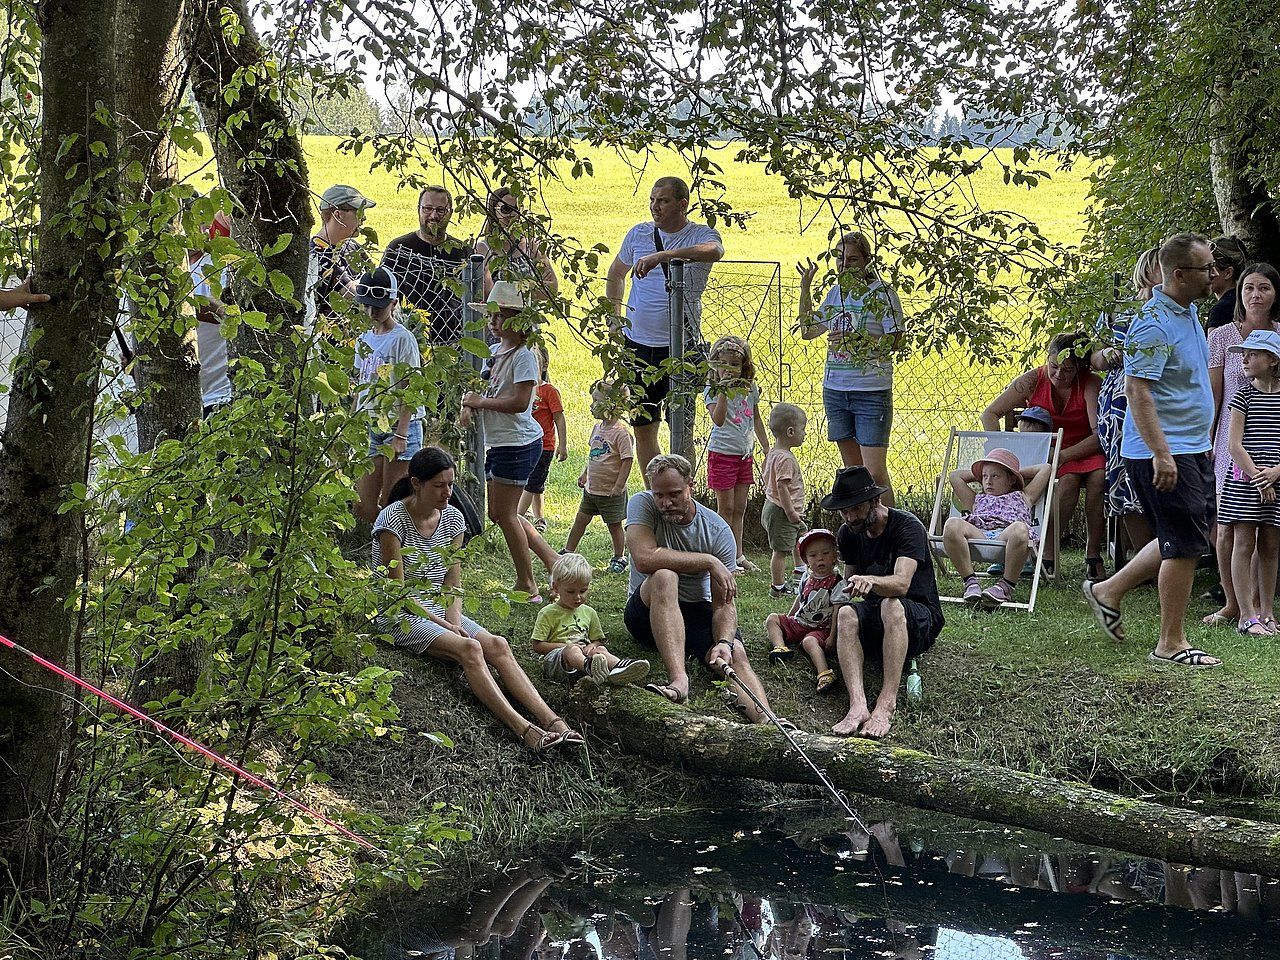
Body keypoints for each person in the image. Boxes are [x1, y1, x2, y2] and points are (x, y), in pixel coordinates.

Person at [372, 446, 584, 753]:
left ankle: (554, 722)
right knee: (470, 648)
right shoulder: (392, 520)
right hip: (399, 612)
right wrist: (445, 625)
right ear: (416, 484)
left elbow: (452, 582)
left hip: (437, 606)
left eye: (451, 484)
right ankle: (525, 730)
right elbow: (399, 592)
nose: (448, 492)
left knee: (497, 644)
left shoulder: (453, 519)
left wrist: (454, 622)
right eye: (439, 485)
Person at [1082, 232, 1222, 668]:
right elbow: (1137, 393)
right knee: (1183, 547)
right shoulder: (1154, 325)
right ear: (1179, 274)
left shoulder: (1188, 310)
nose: (1214, 275)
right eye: (1206, 269)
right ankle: (1170, 643)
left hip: (1191, 445)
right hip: (1165, 451)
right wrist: (1162, 453)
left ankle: (1108, 590)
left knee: (1179, 536)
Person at [623, 454, 774, 721]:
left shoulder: (717, 531)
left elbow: (723, 603)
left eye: (675, 494)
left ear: (691, 485)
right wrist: (707, 560)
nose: (665, 503)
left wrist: (725, 640)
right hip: (646, 612)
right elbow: (644, 558)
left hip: (694, 612)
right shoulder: (641, 504)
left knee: (733, 652)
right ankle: (679, 681)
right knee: (664, 576)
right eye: (659, 495)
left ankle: (767, 722)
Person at [604, 176, 725, 472]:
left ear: (682, 204)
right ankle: (656, 494)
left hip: (680, 348)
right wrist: (615, 318)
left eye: (663, 201)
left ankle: (684, 493)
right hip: (637, 347)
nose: (655, 207)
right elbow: (616, 274)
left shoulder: (699, 234)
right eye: (652, 200)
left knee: (681, 429)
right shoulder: (638, 234)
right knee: (643, 427)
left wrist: (665, 255)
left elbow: (715, 251)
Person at [824, 466, 943, 739]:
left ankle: (886, 704)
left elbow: (902, 584)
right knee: (846, 615)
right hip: (878, 618)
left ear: (875, 501)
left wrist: (873, 582)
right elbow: (848, 589)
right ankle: (858, 706)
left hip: (919, 617)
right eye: (844, 511)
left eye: (855, 509)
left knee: (891, 603)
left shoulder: (908, 527)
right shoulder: (848, 533)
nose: (850, 517)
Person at [460, 281, 561, 599]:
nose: (492, 321)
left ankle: (527, 583)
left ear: (519, 321)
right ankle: (553, 561)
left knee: (504, 515)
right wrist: (467, 405)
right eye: (491, 314)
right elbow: (481, 388)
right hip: (502, 442)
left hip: (518, 443)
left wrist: (480, 404)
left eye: (499, 315)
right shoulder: (494, 352)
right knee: (504, 514)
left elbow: (520, 402)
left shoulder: (524, 356)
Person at [982, 331, 1105, 580]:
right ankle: (1045, 550)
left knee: (1099, 477)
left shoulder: (1090, 383)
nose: (1059, 374)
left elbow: (1098, 435)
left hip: (1082, 448)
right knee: (1068, 481)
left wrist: (1062, 455)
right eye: (1054, 366)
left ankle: (1093, 554)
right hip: (1044, 454)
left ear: (1079, 368)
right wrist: (1003, 454)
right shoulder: (1032, 379)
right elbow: (990, 414)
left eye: (1068, 370)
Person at [797, 231, 905, 503]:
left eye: (852, 259)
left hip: (871, 391)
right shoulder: (836, 293)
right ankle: (864, 530)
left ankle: (893, 531)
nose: (844, 265)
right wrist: (805, 288)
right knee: (854, 473)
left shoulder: (883, 294)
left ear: (868, 261)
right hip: (836, 390)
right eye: (840, 259)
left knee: (875, 472)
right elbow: (808, 331)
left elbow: (895, 341)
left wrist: (856, 339)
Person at [1204, 262, 1280, 627]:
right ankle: (1234, 603)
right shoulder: (1221, 336)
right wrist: (1206, 436)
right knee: (1228, 525)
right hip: (1233, 438)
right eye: (1249, 287)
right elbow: (1213, 394)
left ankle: (1259, 608)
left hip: (1273, 443)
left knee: (1265, 529)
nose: (1255, 295)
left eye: (1263, 287)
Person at [1092, 248, 1160, 562]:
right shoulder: (1114, 311)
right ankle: (1140, 555)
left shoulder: (1172, 310)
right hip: (1120, 399)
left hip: (1160, 395)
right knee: (1124, 473)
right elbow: (1093, 355)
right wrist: (1107, 355)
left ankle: (1162, 550)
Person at [352, 267, 424, 523]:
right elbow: (360, 384)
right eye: (368, 306)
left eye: (379, 307)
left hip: (398, 424)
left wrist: (401, 433)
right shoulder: (364, 338)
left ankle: (395, 555)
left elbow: (411, 388)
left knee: (391, 503)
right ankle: (375, 550)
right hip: (371, 422)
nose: (372, 312)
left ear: (394, 303)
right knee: (364, 504)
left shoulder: (402, 339)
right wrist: (352, 421)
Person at [1220, 329, 1280, 636]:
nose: (1244, 359)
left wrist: (1276, 473)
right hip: (1246, 479)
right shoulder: (1243, 395)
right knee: (1243, 542)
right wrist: (1259, 476)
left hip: (1276, 480)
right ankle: (1246, 615)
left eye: (1252, 354)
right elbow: (1234, 445)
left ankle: (1267, 611)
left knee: (1270, 544)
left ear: (1272, 360)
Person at [943, 448, 1052, 609]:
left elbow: (1046, 468)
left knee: (1020, 529)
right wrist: (986, 472)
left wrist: (1013, 472)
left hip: (1009, 538)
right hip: (980, 537)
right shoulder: (976, 499)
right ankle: (971, 582)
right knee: (952, 524)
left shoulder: (1024, 496)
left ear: (1011, 480)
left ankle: (1005, 586)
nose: (988, 481)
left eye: (995, 476)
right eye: (985, 477)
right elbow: (954, 476)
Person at [703, 335, 770, 573]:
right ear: (715, 365)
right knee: (726, 509)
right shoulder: (712, 390)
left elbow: (756, 417)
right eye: (724, 365)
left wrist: (766, 447)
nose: (730, 370)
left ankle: (738, 555)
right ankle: (724, 558)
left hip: (744, 454)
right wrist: (723, 391)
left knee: (740, 508)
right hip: (722, 453)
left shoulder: (749, 388)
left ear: (744, 366)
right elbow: (718, 420)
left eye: (735, 364)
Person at [531, 552, 651, 685]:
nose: (578, 597)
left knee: (601, 651)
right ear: (556, 588)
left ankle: (620, 668)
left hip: (584, 656)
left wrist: (592, 646)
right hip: (558, 661)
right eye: (571, 592)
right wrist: (566, 646)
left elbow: (598, 641)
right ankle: (590, 668)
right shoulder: (548, 613)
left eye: (583, 591)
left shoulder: (589, 612)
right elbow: (537, 646)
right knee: (572, 650)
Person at [381, 185, 472, 345]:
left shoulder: (462, 251)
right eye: (428, 209)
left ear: (450, 212)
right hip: (407, 339)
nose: (433, 216)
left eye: (440, 210)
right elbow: (382, 293)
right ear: (419, 210)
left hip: (454, 341)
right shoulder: (399, 248)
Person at [563, 380, 633, 572]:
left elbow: (627, 460)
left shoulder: (621, 434)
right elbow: (593, 455)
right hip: (592, 489)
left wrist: (619, 486)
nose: (591, 405)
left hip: (611, 491)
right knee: (580, 519)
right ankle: (568, 551)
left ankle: (620, 557)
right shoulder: (597, 428)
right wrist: (585, 473)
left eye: (595, 401)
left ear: (611, 405)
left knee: (614, 525)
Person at [765, 528, 841, 693]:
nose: (819, 558)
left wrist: (832, 637)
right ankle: (780, 648)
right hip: (800, 622)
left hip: (821, 628)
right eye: (813, 555)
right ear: (806, 560)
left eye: (825, 553)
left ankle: (824, 672)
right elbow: (800, 599)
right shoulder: (807, 578)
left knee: (809, 642)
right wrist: (790, 617)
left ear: (835, 556)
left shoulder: (837, 582)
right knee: (772, 618)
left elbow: (838, 610)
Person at [308, 183, 375, 330]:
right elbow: (353, 294)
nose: (363, 218)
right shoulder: (316, 255)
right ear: (338, 215)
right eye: (358, 212)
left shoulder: (353, 247)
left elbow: (376, 281)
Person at [760, 402, 808, 598]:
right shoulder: (786, 459)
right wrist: (790, 512)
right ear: (790, 431)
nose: (804, 433)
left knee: (801, 540)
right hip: (783, 511)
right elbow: (782, 487)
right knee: (780, 551)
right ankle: (777, 587)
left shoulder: (773, 453)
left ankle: (801, 574)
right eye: (802, 429)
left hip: (775, 507)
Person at [476, 187, 558, 300]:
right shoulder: (484, 248)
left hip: (528, 316)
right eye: (506, 209)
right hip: (498, 316)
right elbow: (486, 294)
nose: (512, 214)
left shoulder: (532, 246)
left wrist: (503, 289)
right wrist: (531, 286)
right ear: (494, 211)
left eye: (516, 209)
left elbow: (552, 289)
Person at [518, 344, 567, 533]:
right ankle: (539, 518)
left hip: (544, 445)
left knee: (533, 483)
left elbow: (559, 418)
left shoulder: (549, 391)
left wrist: (562, 444)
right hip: (527, 443)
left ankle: (518, 515)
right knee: (535, 483)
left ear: (543, 365)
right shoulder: (524, 390)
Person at [189, 212, 234, 417]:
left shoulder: (218, 266)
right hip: (183, 397)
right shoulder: (158, 277)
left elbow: (234, 316)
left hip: (219, 396)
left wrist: (191, 305)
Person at [1207, 235, 1250, 330]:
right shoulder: (1248, 302)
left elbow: (1214, 345)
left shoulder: (1220, 310)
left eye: (1210, 269)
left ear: (1228, 273)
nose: (1205, 274)